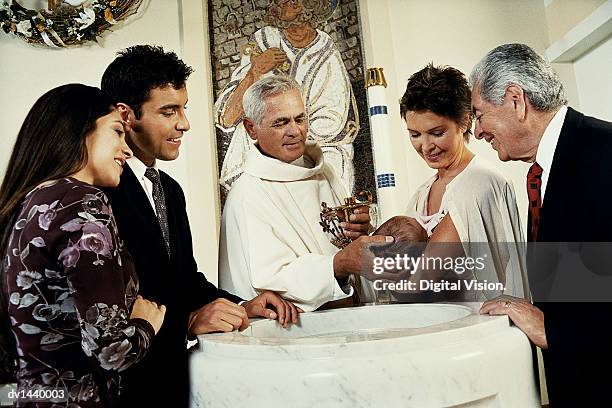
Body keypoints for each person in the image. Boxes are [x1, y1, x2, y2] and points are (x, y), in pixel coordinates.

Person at [100, 45, 300, 408]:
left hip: (173, 382)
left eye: (183, 109)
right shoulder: (99, 193)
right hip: (120, 388)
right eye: (168, 111)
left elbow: (185, 280)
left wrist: (243, 305)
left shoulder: (170, 192)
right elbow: (108, 307)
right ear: (126, 116)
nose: (184, 124)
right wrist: (187, 321)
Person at [0, 84, 166, 407]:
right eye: (117, 131)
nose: (127, 149)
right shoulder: (82, 202)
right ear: (79, 131)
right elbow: (110, 352)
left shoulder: (28, 203)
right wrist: (147, 323)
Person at [473, 43, 612, 406]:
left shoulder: (605, 152)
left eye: (479, 114)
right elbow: (590, 283)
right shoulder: (545, 170)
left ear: (515, 100)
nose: (476, 131)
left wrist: (552, 330)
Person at [218, 75, 389, 311]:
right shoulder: (248, 194)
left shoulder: (323, 171)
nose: (295, 131)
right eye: (280, 123)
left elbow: (339, 241)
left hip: (349, 316)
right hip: (294, 332)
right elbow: (270, 279)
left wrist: (358, 232)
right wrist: (337, 265)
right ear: (251, 128)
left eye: (300, 119)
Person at [382, 63, 529, 300]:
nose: (426, 146)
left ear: (464, 121)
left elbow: (416, 284)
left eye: (437, 132)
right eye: (415, 134)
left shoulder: (480, 182)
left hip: (482, 327)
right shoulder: (421, 195)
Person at [215, 0, 359, 194]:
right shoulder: (264, 40)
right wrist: (254, 71)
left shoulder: (325, 53)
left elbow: (329, 124)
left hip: (314, 153)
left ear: (311, 6)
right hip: (263, 159)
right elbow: (227, 118)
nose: (279, 2)